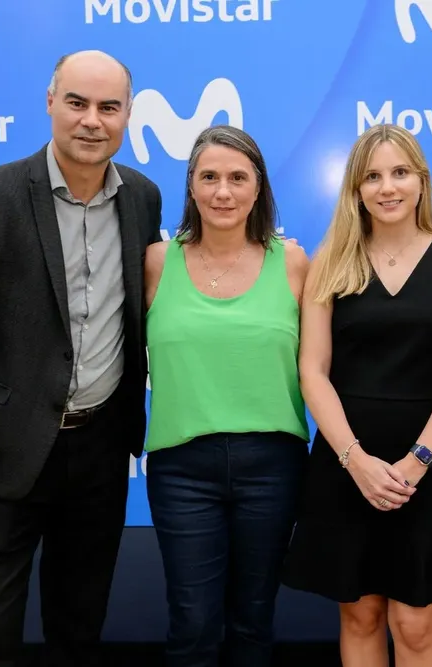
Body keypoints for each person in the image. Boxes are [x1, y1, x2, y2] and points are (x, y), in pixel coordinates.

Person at [0, 50, 162, 666]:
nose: (92, 120)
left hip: (101, 453)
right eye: (77, 103)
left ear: (128, 115)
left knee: (78, 629)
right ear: (50, 103)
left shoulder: (143, 198)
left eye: (109, 107)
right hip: (2, 457)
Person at [281, 123, 432, 666]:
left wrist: (417, 462)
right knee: (361, 614)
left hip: (426, 463)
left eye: (400, 173)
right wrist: (356, 462)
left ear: (422, 181)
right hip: (346, 462)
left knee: (415, 625)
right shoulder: (332, 261)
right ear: (355, 189)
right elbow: (313, 372)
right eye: (372, 176)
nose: (387, 187)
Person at [141, 124, 311, 667]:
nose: (223, 191)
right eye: (209, 176)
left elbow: (323, 368)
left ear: (258, 189)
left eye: (238, 178)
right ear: (190, 186)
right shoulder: (155, 262)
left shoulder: (293, 263)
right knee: (192, 623)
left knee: (253, 621)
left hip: (274, 465)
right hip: (182, 468)